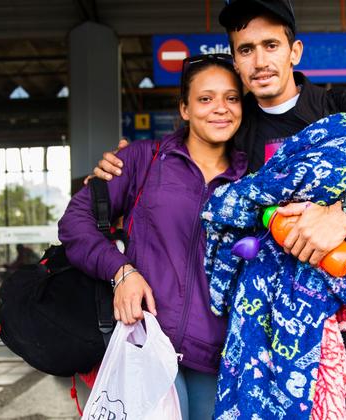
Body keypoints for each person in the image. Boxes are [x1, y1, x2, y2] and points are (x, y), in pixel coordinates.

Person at [93, 1, 346, 417]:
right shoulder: (235, 129)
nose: (260, 61)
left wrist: (344, 213)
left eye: (271, 45)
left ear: (294, 52)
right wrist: (115, 171)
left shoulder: (342, 107)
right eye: (246, 50)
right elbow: (179, 164)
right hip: (272, 315)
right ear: (237, 62)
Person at [58, 54, 247, 420]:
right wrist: (121, 271)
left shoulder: (254, 180)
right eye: (205, 99)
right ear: (185, 109)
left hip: (219, 354)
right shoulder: (143, 160)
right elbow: (75, 221)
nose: (220, 109)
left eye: (232, 98)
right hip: (145, 343)